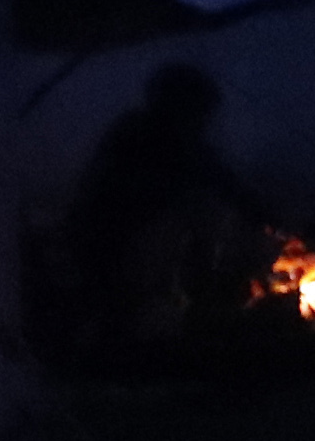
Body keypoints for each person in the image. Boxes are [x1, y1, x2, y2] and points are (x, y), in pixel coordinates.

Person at [46, 62, 278, 366]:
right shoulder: (143, 137)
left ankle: (127, 349)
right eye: (200, 111)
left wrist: (270, 220)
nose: (204, 122)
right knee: (124, 303)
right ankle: (123, 357)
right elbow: (208, 182)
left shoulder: (171, 141)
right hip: (110, 240)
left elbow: (227, 184)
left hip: (121, 241)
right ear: (177, 105)